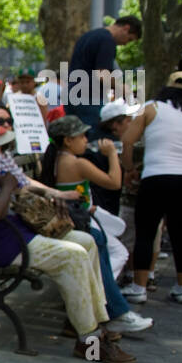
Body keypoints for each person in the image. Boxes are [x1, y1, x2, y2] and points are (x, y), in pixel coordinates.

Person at [0, 115, 133, 363]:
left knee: (86, 241)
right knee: (72, 255)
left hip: (12, 238)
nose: (2, 148)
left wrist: (43, 192)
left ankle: (91, 322)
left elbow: (17, 191)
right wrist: (7, 187)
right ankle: (89, 341)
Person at [39, 115, 152, 335]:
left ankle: (102, 306)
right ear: (68, 141)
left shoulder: (56, 159)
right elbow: (114, 182)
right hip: (77, 224)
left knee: (108, 249)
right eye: (81, 135)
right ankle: (105, 307)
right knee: (114, 252)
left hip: (73, 220)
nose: (86, 139)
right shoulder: (76, 162)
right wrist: (111, 155)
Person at [119, 72, 182, 305]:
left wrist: (129, 168)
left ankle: (139, 287)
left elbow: (128, 140)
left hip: (155, 177)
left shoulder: (150, 108)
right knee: (181, 234)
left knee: (146, 232)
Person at [67, 15, 142, 129]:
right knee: (93, 137)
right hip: (90, 98)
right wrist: (122, 88)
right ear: (126, 28)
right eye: (129, 39)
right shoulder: (107, 41)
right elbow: (102, 74)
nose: (126, 43)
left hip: (71, 94)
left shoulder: (88, 36)